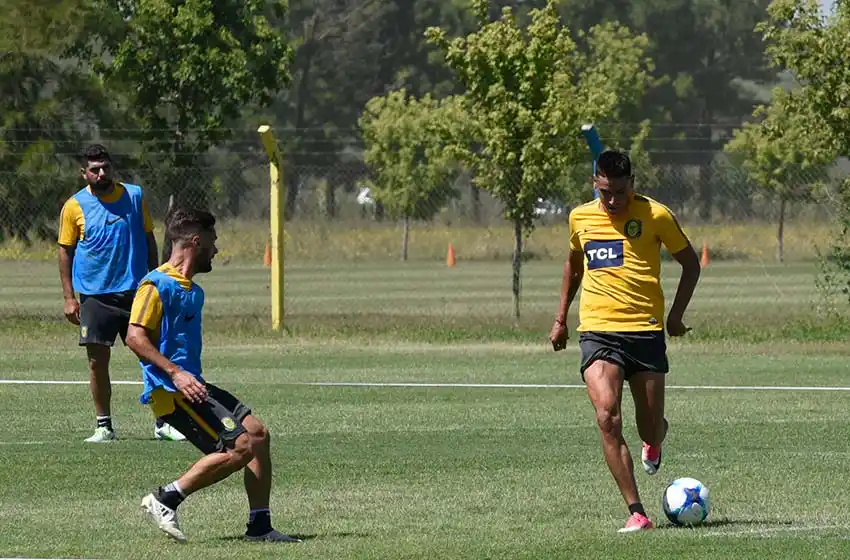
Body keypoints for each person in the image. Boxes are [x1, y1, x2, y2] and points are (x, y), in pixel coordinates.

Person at [126, 207, 301, 544]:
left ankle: (260, 526)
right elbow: (135, 338)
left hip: (193, 384)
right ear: (196, 241)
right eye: (213, 241)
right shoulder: (155, 284)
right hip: (172, 390)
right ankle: (165, 499)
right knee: (240, 448)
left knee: (258, 435)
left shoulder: (192, 289)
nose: (217, 250)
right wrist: (176, 374)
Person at [549, 150, 701, 533]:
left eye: (620, 191)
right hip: (598, 331)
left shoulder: (656, 215)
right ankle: (637, 511)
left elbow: (691, 263)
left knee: (648, 427)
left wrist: (676, 316)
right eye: (606, 192)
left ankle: (654, 440)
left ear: (632, 183)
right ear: (595, 184)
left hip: (645, 332)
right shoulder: (580, 217)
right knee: (607, 416)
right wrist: (560, 319)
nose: (614, 201)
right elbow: (573, 263)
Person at [58, 143, 186, 443]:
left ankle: (164, 422)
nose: (101, 173)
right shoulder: (73, 206)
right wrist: (68, 297)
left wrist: (156, 280)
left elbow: (148, 238)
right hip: (95, 295)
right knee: (96, 362)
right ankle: (104, 426)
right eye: (94, 169)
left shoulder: (134, 195)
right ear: (84, 173)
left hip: (137, 292)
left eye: (105, 167)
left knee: (153, 356)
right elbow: (65, 251)